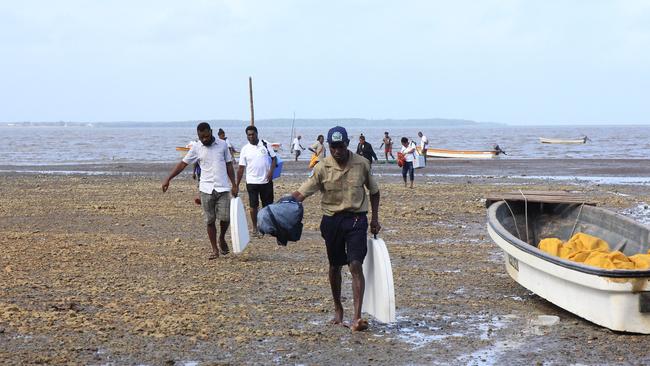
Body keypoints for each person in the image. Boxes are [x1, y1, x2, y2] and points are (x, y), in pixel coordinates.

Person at [291, 126, 381, 332]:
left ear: (347, 144)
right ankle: (338, 308)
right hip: (332, 221)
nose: (337, 151)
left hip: (357, 219)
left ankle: (357, 317)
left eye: (340, 146)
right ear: (329, 146)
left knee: (355, 264)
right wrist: (285, 203)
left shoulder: (362, 164)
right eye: (333, 147)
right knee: (334, 266)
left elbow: (374, 192)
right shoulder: (322, 167)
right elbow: (305, 191)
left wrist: (375, 218)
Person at [162, 122, 238, 260]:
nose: (204, 139)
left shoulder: (222, 145)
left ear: (211, 131)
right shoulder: (196, 147)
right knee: (210, 220)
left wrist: (234, 184)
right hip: (205, 188)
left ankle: (221, 238)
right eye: (201, 137)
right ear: (198, 135)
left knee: (226, 217)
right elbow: (183, 164)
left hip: (223, 187)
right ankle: (215, 249)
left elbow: (229, 165)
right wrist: (168, 178)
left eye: (207, 136)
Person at [236, 125, 277, 238]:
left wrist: (271, 172)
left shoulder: (265, 144)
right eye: (249, 135)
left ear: (257, 134)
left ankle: (266, 226)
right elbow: (241, 168)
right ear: (247, 136)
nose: (251, 136)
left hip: (266, 181)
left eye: (253, 134)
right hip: (252, 182)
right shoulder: (245, 149)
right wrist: (236, 185)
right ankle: (254, 228)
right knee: (253, 206)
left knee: (267, 206)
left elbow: (274, 159)